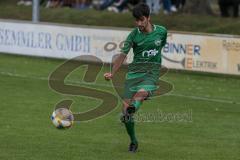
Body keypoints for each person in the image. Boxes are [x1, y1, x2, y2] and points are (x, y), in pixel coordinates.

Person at [104, 3, 167, 152]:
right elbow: (122, 55)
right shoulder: (133, 35)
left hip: (151, 73)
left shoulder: (162, 32)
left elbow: (161, 46)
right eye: (136, 20)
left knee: (142, 93)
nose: (138, 23)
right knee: (126, 115)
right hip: (134, 74)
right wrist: (112, 73)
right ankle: (133, 141)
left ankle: (133, 107)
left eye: (141, 20)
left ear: (148, 18)